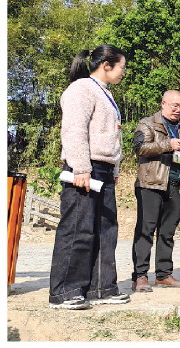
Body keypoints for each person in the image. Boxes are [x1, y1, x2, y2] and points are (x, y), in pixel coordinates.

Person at [49, 44, 130, 310]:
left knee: (106, 230)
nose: (123, 72)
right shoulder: (81, 89)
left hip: (104, 169)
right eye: (122, 67)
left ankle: (101, 287)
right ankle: (65, 291)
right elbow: (74, 130)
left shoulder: (105, 93)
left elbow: (111, 136)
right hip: (85, 168)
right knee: (78, 229)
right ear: (106, 65)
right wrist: (81, 167)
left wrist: (114, 170)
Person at [131, 90, 180, 292]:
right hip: (151, 183)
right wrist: (168, 144)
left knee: (167, 233)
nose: (178, 109)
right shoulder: (148, 123)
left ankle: (163, 275)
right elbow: (139, 148)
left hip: (175, 184)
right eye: (174, 105)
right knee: (145, 231)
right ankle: (140, 276)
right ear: (163, 103)